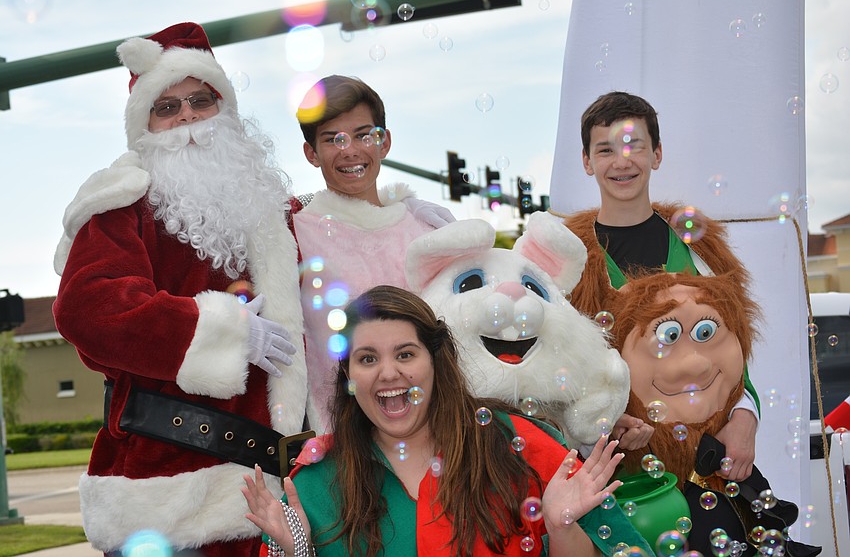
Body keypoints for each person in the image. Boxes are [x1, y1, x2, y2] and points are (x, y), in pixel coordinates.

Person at [52, 22, 307, 556]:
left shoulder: (279, 209)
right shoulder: (124, 204)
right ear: (143, 125)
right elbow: (87, 307)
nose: (187, 117)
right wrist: (223, 333)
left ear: (226, 109)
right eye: (166, 108)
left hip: (280, 490)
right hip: (169, 494)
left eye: (200, 100)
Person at [241, 285, 653, 556]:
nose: (388, 373)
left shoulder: (523, 445)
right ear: (349, 376)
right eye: (367, 359)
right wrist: (295, 552)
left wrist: (562, 528)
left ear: (436, 362)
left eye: (405, 354)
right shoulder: (314, 484)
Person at [557, 91, 760, 481]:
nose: (622, 161)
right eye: (605, 150)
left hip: (714, 467)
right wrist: (600, 423)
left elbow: (732, 346)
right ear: (586, 162)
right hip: (621, 478)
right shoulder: (568, 257)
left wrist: (745, 418)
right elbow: (559, 371)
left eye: (635, 146)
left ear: (657, 154)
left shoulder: (700, 246)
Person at [607, 272, 820, 556]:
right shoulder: (580, 262)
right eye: (668, 336)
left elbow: (738, 379)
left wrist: (745, 414)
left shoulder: (697, 252)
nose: (695, 364)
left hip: (717, 487)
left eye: (704, 333)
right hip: (638, 494)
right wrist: (606, 426)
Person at [289, 75, 453, 434]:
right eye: (334, 139)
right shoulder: (294, 237)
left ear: (385, 141)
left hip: (439, 429)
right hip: (344, 439)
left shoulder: (428, 228)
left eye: (364, 135)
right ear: (311, 153)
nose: (351, 151)